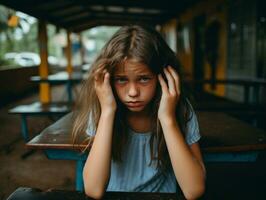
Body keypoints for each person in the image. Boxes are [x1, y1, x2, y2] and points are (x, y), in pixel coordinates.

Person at [72, 25, 206, 199]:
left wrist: (167, 118)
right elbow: (94, 190)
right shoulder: (102, 110)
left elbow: (194, 190)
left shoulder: (180, 109)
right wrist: (107, 111)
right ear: (108, 80)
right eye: (121, 80)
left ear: (164, 77)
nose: (133, 92)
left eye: (144, 78)